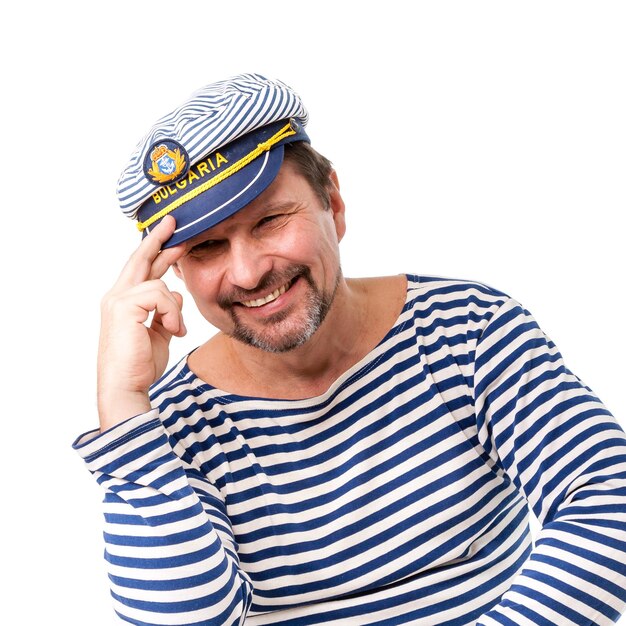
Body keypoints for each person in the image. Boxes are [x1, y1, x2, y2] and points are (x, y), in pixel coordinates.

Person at [74, 73, 626, 626]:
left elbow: (607, 496)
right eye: (208, 247)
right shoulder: (166, 429)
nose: (246, 273)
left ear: (332, 203)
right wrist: (123, 406)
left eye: (269, 221)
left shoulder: (469, 330)